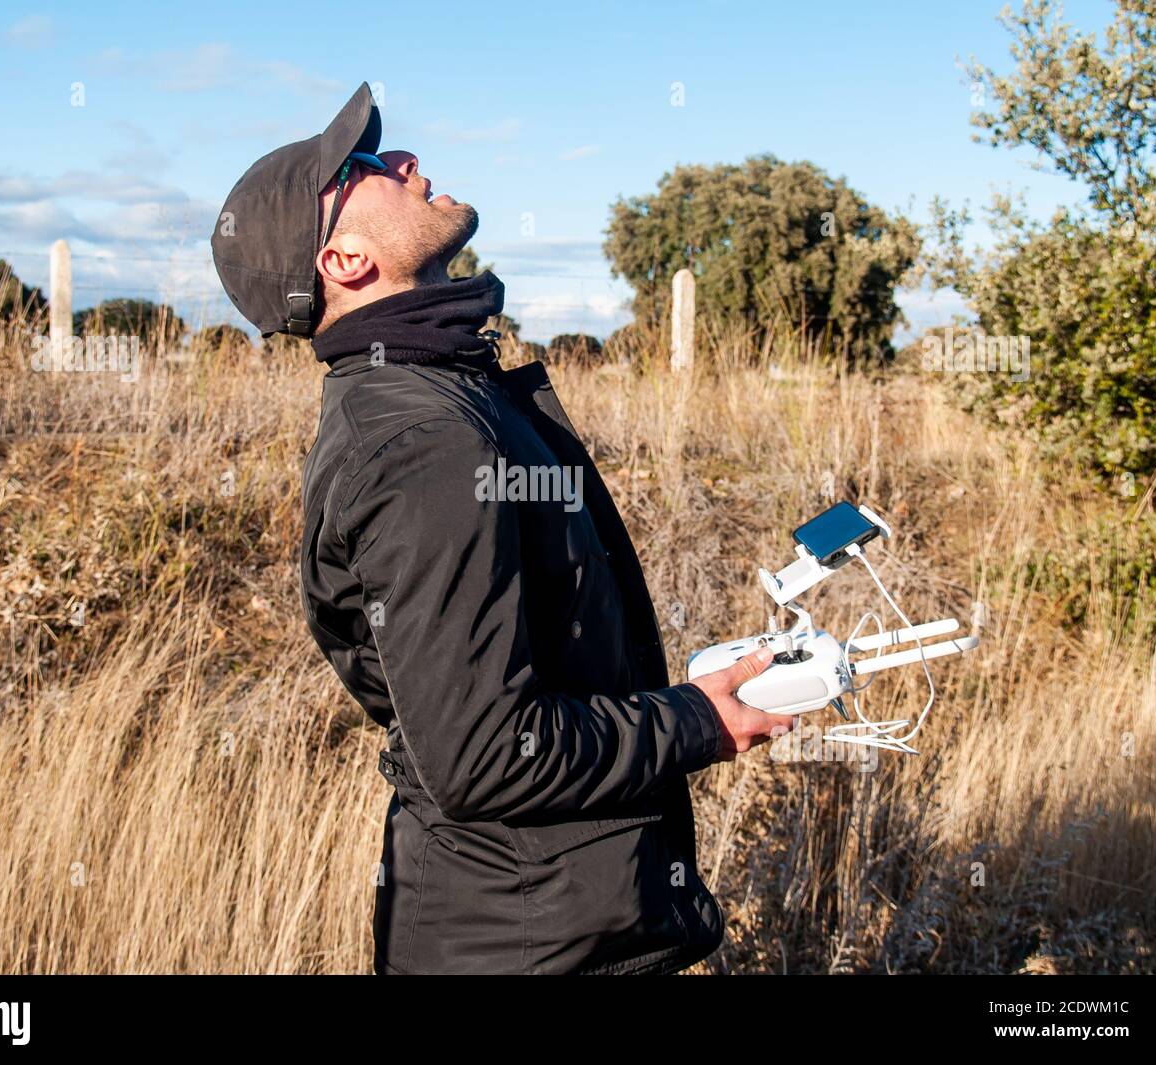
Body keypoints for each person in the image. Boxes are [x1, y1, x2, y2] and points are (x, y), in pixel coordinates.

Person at [212, 82, 794, 975]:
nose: (403, 161)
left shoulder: (447, 396)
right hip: (524, 945)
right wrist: (694, 721)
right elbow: (485, 753)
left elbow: (460, 686)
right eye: (365, 167)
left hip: (546, 922)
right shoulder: (421, 441)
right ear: (344, 263)